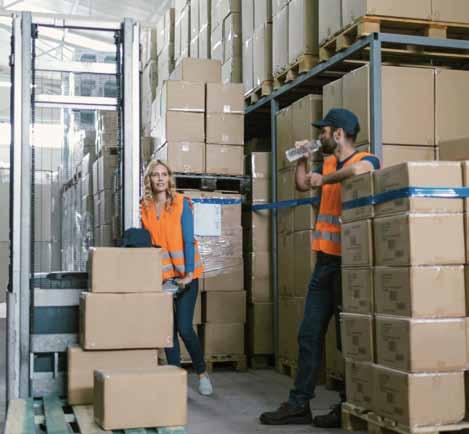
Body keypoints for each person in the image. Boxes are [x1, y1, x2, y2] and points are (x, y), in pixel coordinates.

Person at [260, 108, 381, 428]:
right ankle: (299, 404)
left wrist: (324, 179)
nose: (320, 136)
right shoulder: (326, 162)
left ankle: (347, 404)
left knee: (346, 339)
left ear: (338, 134)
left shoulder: (367, 159)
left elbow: (361, 172)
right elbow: (303, 185)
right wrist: (303, 159)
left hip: (350, 266)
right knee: (309, 333)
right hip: (325, 263)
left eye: (323, 132)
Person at [141, 159, 214, 396]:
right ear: (149, 180)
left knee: (184, 328)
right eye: (155, 174)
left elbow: (188, 240)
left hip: (186, 276)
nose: (160, 179)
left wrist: (189, 274)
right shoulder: (143, 208)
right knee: (168, 332)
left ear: (169, 178)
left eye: (164, 174)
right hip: (161, 278)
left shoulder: (182, 203)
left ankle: (202, 373)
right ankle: (175, 380)